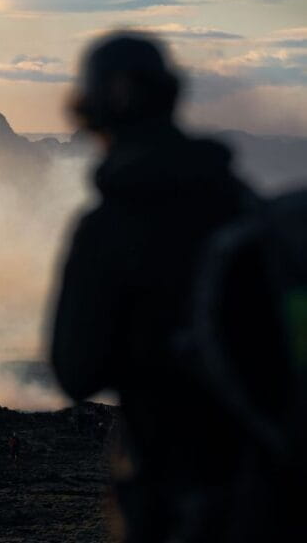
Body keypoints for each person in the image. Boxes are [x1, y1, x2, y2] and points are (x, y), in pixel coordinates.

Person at [48, 32, 261, 542]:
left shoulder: (111, 225)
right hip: (264, 490)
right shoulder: (242, 204)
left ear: (104, 105)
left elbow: (76, 371)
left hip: (170, 497)